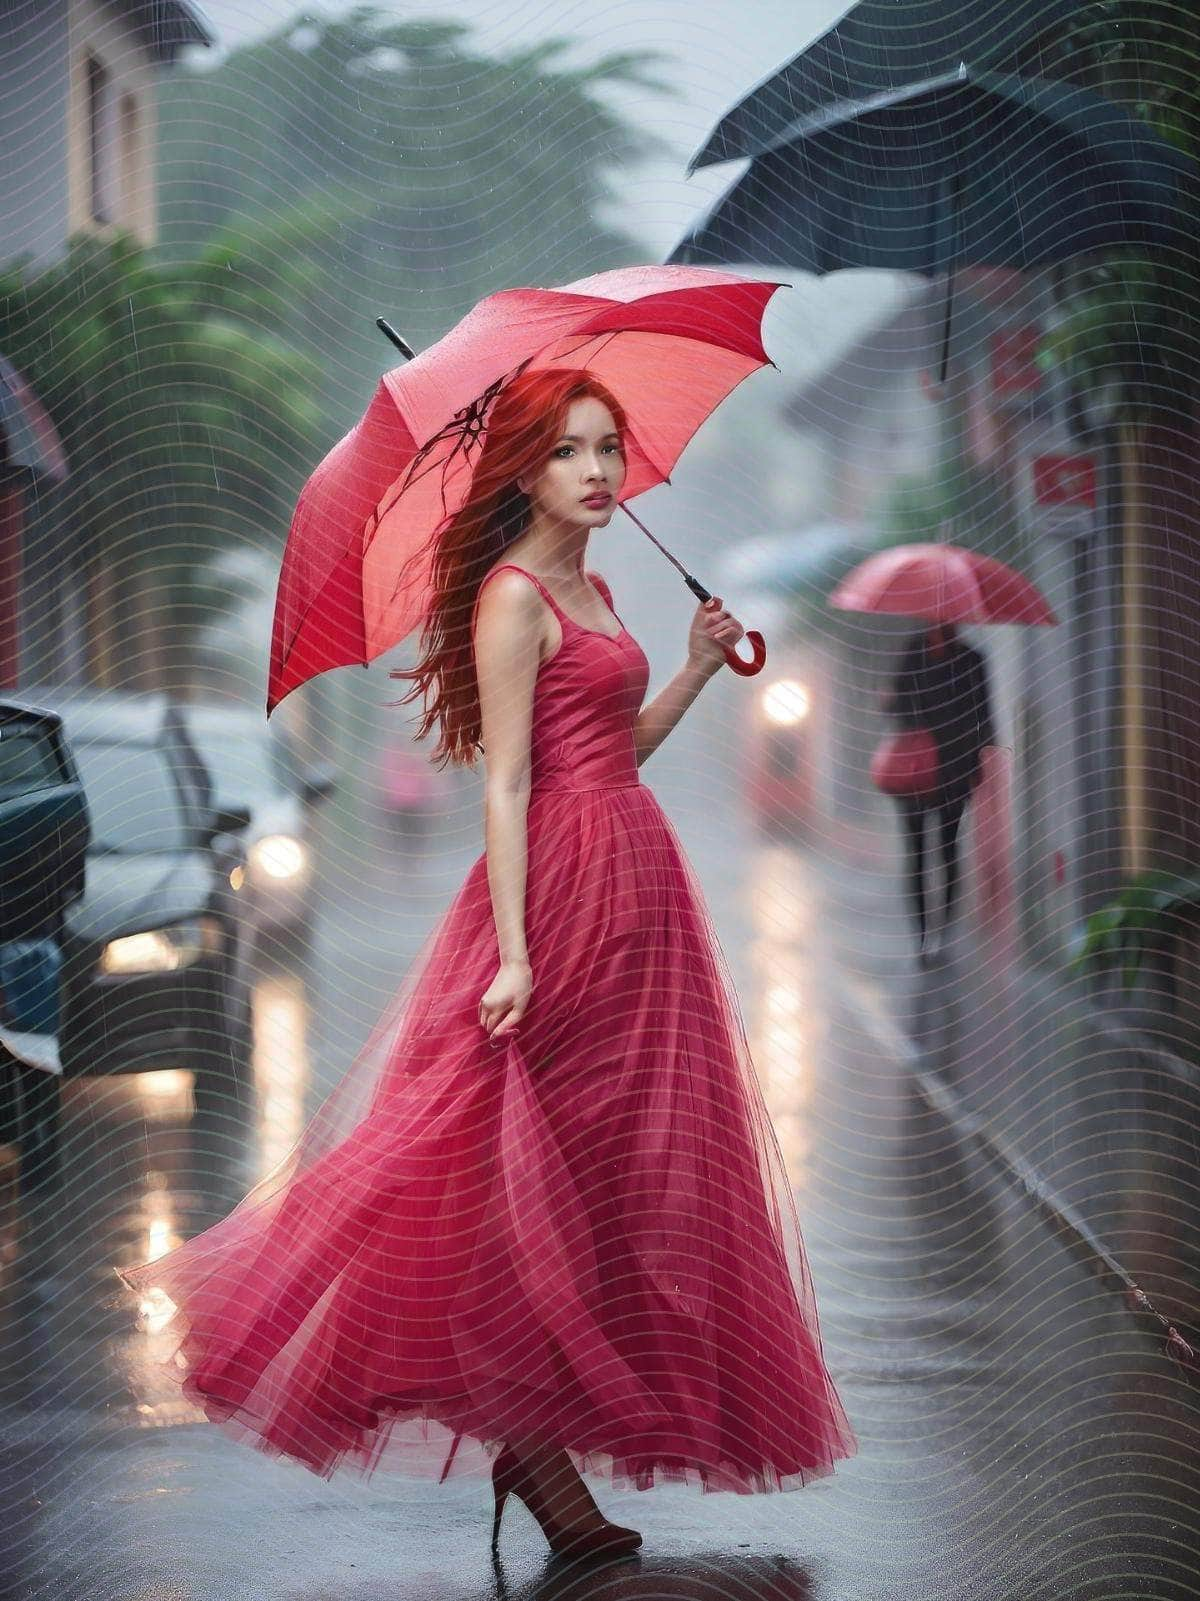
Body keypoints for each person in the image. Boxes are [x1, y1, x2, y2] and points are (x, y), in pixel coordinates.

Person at [114, 367, 857, 1561]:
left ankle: (535, 1446)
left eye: (609, 447)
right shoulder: (512, 598)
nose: (600, 472)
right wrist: (515, 955)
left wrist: (699, 666)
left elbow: (618, 750)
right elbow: (507, 782)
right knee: (502, 1166)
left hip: (640, 890)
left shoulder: (601, 586)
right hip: (553, 893)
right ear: (524, 470)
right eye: (571, 452)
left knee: (610, 1172)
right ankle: (537, 1455)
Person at [880, 621, 997, 962]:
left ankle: (942, 932)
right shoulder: (911, 655)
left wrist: (981, 763)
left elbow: (984, 717)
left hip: (954, 770)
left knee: (947, 849)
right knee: (916, 854)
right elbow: (893, 710)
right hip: (914, 770)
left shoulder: (973, 659)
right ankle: (920, 934)